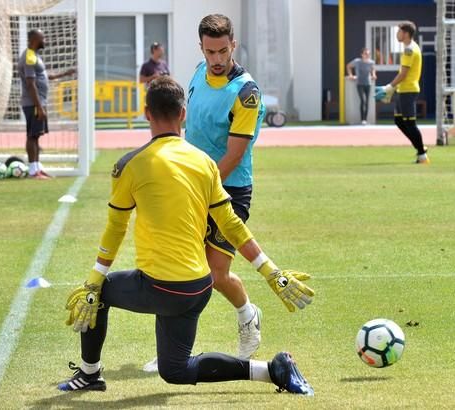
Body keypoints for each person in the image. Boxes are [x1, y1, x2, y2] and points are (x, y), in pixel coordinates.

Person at [59, 76, 314, 395]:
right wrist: (271, 271)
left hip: (159, 288)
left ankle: (89, 374)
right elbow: (231, 224)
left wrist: (95, 278)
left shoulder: (129, 165)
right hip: (198, 289)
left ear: (146, 114)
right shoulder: (205, 163)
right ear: (183, 114)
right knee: (175, 370)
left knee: (100, 295)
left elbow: (116, 228)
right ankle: (273, 370)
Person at [183, 13, 267, 360]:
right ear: (201, 48)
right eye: (209, 52)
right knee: (181, 271)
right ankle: (174, 349)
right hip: (193, 187)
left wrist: (202, 189)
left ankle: (248, 316)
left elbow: (233, 156)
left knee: (216, 274)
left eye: (221, 51)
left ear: (233, 45)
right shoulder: (198, 73)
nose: (216, 59)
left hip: (228, 190)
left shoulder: (245, 93)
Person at [17, 29, 75, 179]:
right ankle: (32, 170)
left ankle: (37, 168)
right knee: (32, 135)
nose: (45, 41)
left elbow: (43, 76)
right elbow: (30, 84)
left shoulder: (35, 56)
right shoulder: (29, 57)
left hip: (39, 102)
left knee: (36, 135)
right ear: (34, 40)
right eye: (43, 38)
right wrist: (38, 106)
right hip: (33, 104)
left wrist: (64, 74)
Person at [375, 21, 429, 164]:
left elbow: (403, 74)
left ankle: (422, 154)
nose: (397, 34)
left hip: (408, 90)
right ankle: (420, 147)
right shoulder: (411, 47)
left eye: (399, 31)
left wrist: (388, 87)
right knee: (399, 120)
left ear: (405, 33)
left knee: (410, 123)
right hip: (403, 90)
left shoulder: (409, 50)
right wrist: (394, 89)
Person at [346, 47, 377, 125]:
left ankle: (365, 120)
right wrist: (350, 75)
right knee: (362, 100)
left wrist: (373, 75)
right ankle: (362, 119)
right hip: (359, 83)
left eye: (368, 54)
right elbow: (348, 66)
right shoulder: (357, 61)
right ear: (362, 54)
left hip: (368, 83)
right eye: (366, 54)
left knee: (367, 102)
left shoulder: (371, 62)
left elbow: (373, 69)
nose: (367, 55)